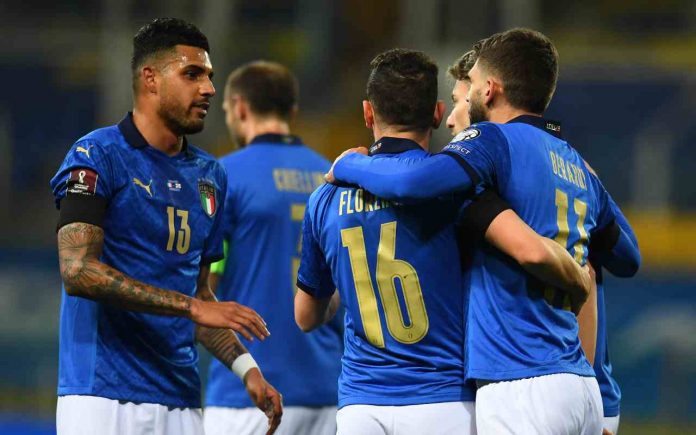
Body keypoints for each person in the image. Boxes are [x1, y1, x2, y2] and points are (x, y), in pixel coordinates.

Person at [327, 29, 641, 434]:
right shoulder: (575, 163)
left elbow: (413, 182)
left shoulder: (492, 139)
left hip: (521, 379)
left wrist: (348, 165)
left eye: (470, 87)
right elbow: (628, 257)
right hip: (579, 383)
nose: (463, 104)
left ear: (489, 90)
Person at [50, 18, 282, 435]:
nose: (209, 89)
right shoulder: (97, 154)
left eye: (210, 76)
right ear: (150, 79)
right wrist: (191, 307)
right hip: (101, 396)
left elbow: (201, 297)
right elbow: (77, 270)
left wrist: (247, 369)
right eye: (192, 74)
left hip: (180, 397)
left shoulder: (210, 176)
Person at [203, 61, 343, 435]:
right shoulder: (332, 178)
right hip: (328, 392)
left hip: (249, 394)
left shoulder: (222, 175)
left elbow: (203, 286)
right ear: (292, 111)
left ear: (239, 108)